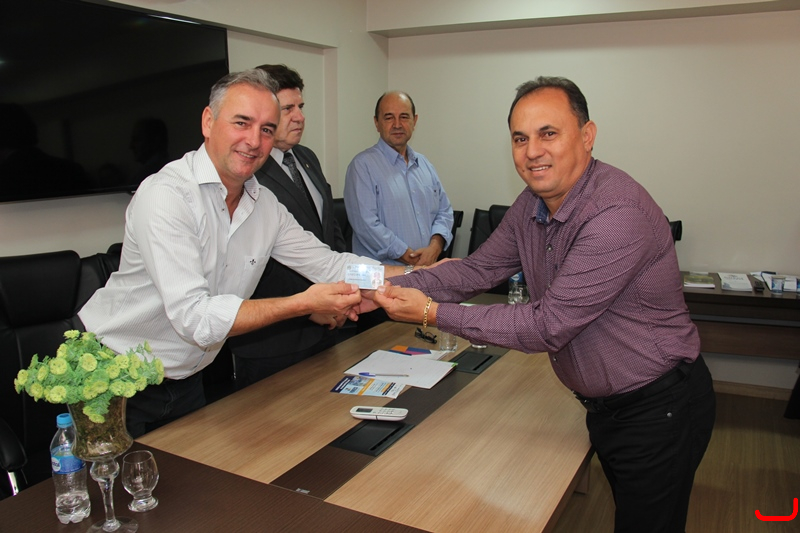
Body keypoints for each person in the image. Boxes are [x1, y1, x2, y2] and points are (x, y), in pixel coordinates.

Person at [369, 77, 716, 533]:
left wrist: (430, 312)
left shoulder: (616, 214)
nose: (532, 151)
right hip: (608, 406)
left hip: (657, 407)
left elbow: (547, 325)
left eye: (548, 133)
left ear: (587, 136)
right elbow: (477, 270)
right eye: (520, 138)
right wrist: (387, 287)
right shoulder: (532, 203)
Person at [79, 69, 404, 437]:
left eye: (266, 129)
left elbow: (330, 264)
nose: (254, 140)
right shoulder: (167, 195)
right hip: (111, 374)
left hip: (185, 378)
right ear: (208, 121)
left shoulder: (265, 205)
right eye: (242, 123)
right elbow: (195, 317)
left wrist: (418, 277)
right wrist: (301, 303)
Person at [227, 64, 349, 388]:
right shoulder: (249, 170)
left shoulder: (307, 157)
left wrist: (339, 291)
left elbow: (329, 231)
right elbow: (254, 263)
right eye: (288, 109)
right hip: (272, 338)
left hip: (326, 323)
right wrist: (309, 305)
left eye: (301, 107)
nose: (300, 117)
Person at [344, 91, 454, 267]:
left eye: (404, 117)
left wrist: (435, 248)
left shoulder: (425, 164)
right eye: (389, 118)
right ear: (376, 123)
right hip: (382, 277)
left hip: (425, 271)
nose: (397, 124)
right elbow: (366, 225)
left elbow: (444, 211)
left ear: (414, 121)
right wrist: (410, 257)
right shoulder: (362, 166)